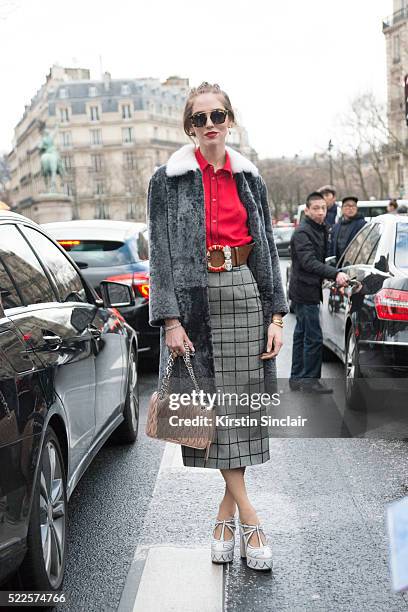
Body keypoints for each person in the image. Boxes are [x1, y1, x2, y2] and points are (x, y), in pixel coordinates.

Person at [147, 82, 288, 572]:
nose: (210, 125)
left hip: (245, 292)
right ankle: (250, 517)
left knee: (240, 413)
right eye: (200, 118)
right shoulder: (167, 180)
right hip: (197, 304)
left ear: (231, 121)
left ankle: (224, 519)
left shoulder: (249, 177)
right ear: (189, 127)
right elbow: (160, 254)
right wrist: (169, 319)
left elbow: (266, 245)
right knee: (212, 415)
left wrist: (276, 315)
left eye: (218, 115)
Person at [289, 192, 348, 394]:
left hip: (307, 289)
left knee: (301, 335)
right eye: (316, 208)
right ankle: (310, 381)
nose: (321, 212)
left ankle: (297, 378)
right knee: (313, 337)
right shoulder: (303, 232)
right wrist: (335, 274)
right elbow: (309, 262)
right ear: (307, 210)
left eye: (323, 208)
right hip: (304, 291)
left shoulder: (319, 229)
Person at [329, 196, 366, 261]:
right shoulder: (336, 227)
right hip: (338, 265)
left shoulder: (362, 225)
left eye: (353, 206)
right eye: (347, 206)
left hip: (355, 264)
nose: (350, 208)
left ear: (357, 208)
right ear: (342, 209)